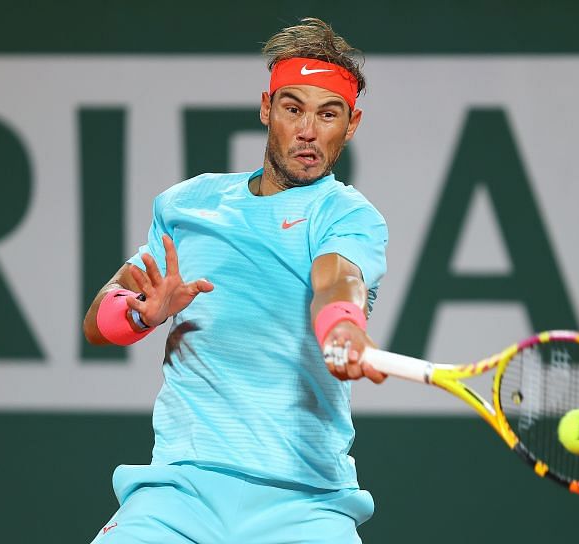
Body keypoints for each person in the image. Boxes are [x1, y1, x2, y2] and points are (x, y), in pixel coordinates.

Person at [82, 17, 388, 544]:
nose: (309, 131)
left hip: (306, 502)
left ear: (352, 123)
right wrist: (137, 312)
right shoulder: (188, 204)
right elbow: (97, 322)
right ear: (267, 109)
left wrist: (343, 324)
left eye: (328, 114)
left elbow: (337, 278)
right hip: (180, 492)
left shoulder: (347, 214)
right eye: (293, 109)